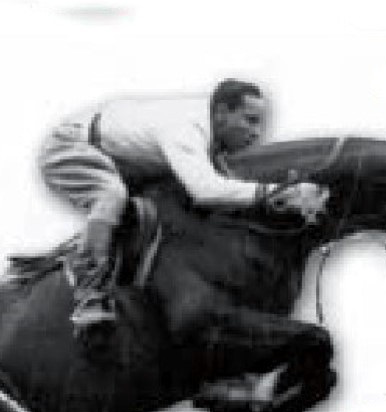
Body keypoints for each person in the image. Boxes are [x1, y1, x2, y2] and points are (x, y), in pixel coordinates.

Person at [38, 79, 323, 342]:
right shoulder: (187, 129)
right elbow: (206, 191)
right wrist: (278, 192)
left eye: (259, 123)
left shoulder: (204, 133)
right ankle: (89, 293)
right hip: (72, 145)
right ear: (221, 113)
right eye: (250, 121)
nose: (257, 133)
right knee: (111, 195)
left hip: (119, 151)